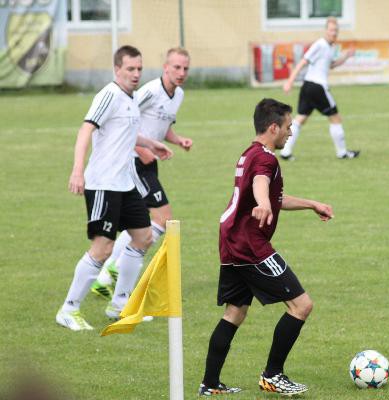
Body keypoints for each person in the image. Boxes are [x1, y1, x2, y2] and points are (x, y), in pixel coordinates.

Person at [197, 98, 334, 396]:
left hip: (231, 241)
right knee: (301, 305)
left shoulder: (250, 153)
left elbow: (275, 198)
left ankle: (210, 384)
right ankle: (273, 376)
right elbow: (261, 185)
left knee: (235, 313)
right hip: (250, 246)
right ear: (273, 127)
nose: (290, 133)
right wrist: (262, 203)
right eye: (288, 127)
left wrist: (312, 204)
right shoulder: (266, 159)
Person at [55, 45, 173, 331]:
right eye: (130, 69)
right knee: (103, 248)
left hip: (125, 184)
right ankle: (69, 309)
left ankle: (120, 304)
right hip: (103, 184)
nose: (136, 74)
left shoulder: (131, 98)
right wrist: (77, 170)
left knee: (144, 237)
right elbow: (86, 130)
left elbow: (126, 133)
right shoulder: (108, 95)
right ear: (117, 69)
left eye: (139, 69)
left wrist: (150, 143)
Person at [90, 47, 193, 300]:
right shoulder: (149, 91)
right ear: (165, 67)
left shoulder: (178, 94)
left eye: (185, 68)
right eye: (176, 67)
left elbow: (163, 126)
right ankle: (113, 269)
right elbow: (124, 121)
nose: (181, 72)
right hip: (134, 161)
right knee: (162, 218)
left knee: (140, 222)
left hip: (149, 161)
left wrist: (178, 140)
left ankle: (106, 276)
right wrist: (140, 148)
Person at [281, 16, 359, 160]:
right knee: (336, 118)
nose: (334, 33)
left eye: (336, 30)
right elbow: (303, 61)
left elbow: (331, 65)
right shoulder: (320, 44)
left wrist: (346, 56)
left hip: (308, 86)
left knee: (300, 119)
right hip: (317, 87)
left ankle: (285, 152)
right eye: (331, 30)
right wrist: (290, 81)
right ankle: (342, 153)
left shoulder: (330, 47)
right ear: (326, 30)